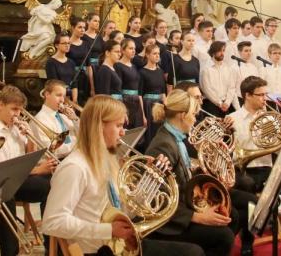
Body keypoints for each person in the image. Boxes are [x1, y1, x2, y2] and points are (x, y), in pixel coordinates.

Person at [41, 95, 204, 256]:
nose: (123, 132)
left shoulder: (107, 159)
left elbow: (126, 210)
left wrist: (152, 180)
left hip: (116, 244)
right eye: (118, 125)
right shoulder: (74, 167)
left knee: (194, 250)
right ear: (99, 127)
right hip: (97, 249)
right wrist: (108, 230)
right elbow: (52, 222)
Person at [229, 76, 281, 250]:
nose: (265, 99)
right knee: (247, 186)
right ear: (247, 95)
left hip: (268, 169)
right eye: (260, 95)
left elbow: (279, 150)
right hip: (245, 171)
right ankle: (247, 242)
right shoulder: (233, 118)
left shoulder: (270, 118)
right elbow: (233, 151)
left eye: (266, 94)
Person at [146, 89, 236, 256]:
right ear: (182, 115)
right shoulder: (163, 145)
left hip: (184, 205)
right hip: (169, 224)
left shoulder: (174, 137)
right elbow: (158, 200)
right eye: (193, 114)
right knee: (224, 236)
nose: (195, 119)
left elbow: (185, 174)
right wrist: (197, 217)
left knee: (230, 215)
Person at [0, 85, 53, 253]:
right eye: (14, 109)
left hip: (20, 179)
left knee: (52, 186)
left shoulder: (16, 127)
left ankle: (52, 245)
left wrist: (29, 137)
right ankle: (10, 252)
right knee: (6, 197)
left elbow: (29, 158)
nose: (17, 115)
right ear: (0, 105)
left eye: (20, 110)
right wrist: (37, 171)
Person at [29, 79, 77, 159]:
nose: (62, 100)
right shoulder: (39, 120)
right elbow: (53, 151)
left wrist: (75, 119)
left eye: (64, 96)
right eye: (59, 95)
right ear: (47, 94)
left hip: (72, 157)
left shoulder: (64, 117)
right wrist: (78, 143)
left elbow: (81, 133)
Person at [139, 44, 166, 148]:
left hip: (160, 107)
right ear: (147, 55)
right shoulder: (142, 72)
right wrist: (143, 115)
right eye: (154, 53)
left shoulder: (160, 71)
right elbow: (140, 95)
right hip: (148, 106)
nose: (157, 56)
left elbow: (163, 93)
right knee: (151, 134)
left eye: (158, 54)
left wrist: (167, 108)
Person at [114, 39, 146, 128]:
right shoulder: (118, 66)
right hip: (125, 102)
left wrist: (143, 114)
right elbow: (118, 89)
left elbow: (138, 91)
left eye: (134, 48)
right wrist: (122, 110)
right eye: (130, 48)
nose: (133, 51)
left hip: (136, 103)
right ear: (123, 50)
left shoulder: (134, 66)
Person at [201, 41, 236, 117]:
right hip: (211, 105)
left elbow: (232, 87)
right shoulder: (206, 69)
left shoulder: (227, 68)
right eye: (219, 51)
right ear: (213, 52)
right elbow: (207, 90)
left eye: (223, 50)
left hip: (226, 105)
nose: (222, 53)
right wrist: (220, 103)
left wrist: (227, 102)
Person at [46, 33, 78, 102]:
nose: (67, 45)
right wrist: (64, 101)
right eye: (64, 43)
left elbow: (74, 84)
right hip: (57, 99)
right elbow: (54, 85)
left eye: (69, 43)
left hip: (70, 99)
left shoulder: (71, 62)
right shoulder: (51, 62)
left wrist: (74, 101)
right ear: (57, 45)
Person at [68, 16, 91, 105]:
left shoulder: (86, 44)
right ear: (73, 28)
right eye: (80, 27)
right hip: (72, 78)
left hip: (84, 78)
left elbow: (89, 66)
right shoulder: (67, 44)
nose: (82, 30)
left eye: (84, 28)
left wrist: (92, 86)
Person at [231, 41, 258, 108]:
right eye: (246, 51)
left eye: (250, 51)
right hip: (240, 100)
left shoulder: (254, 67)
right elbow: (232, 88)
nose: (249, 53)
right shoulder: (234, 67)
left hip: (253, 100)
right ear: (240, 52)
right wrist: (237, 107)